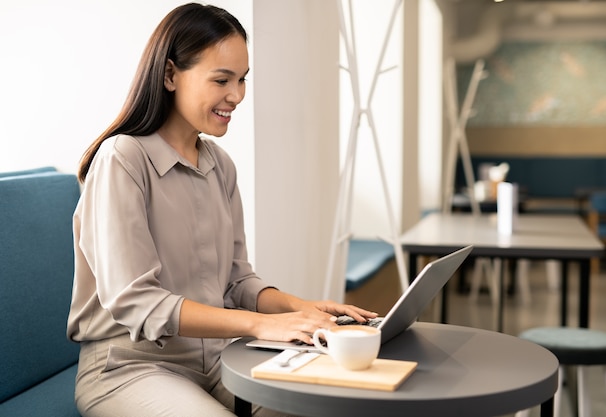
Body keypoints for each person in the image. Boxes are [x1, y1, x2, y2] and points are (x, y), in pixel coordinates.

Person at [66, 3, 377, 417]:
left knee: (324, 404)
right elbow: (137, 302)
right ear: (170, 75)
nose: (237, 95)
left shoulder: (219, 164)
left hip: (217, 361)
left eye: (243, 79)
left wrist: (302, 308)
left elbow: (236, 280)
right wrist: (260, 324)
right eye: (221, 79)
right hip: (130, 368)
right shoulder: (123, 159)